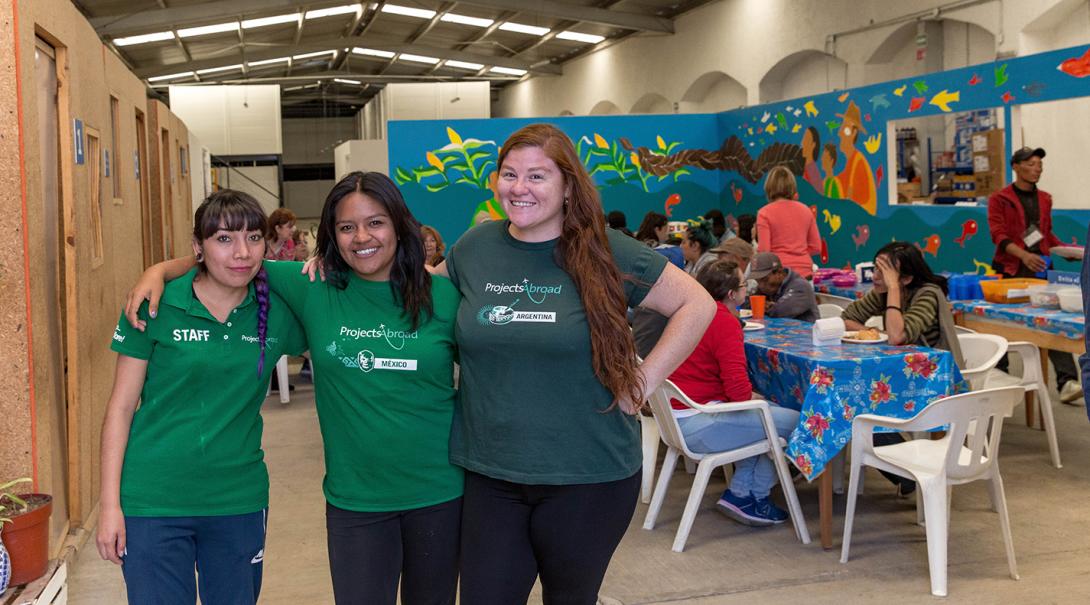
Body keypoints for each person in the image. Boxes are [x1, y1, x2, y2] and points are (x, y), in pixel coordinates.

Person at [126, 173, 465, 604]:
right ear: (332, 235)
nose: (362, 237)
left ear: (399, 225)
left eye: (376, 223)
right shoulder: (312, 286)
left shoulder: (443, 296)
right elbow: (230, 257)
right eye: (346, 227)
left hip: (440, 492)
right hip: (355, 499)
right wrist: (158, 271)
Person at [430, 123, 715, 603]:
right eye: (509, 174)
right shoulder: (475, 247)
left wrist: (644, 382)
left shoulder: (607, 249)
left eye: (537, 176)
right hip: (490, 472)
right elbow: (415, 296)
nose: (519, 188)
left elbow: (698, 304)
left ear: (567, 187)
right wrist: (335, 267)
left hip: (588, 474)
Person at [98, 191, 306, 604]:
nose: (241, 253)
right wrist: (109, 505)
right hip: (153, 500)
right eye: (224, 239)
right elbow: (120, 409)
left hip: (237, 500)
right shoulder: (156, 304)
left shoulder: (278, 310)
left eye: (253, 238)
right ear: (198, 247)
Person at [669, 259, 799, 526]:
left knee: (765, 416)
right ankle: (758, 497)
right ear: (732, 294)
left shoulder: (691, 310)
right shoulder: (724, 323)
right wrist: (758, 399)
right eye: (743, 285)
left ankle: (740, 493)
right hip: (700, 424)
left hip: (676, 416)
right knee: (800, 421)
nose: (747, 289)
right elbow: (738, 393)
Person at [841, 242, 964, 496]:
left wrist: (893, 288)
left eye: (882, 273)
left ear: (906, 278)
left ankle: (904, 472)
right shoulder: (884, 291)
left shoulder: (927, 294)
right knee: (848, 395)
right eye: (875, 269)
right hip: (900, 375)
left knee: (855, 402)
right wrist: (875, 332)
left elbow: (898, 336)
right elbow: (847, 318)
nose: (874, 277)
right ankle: (901, 472)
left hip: (933, 384)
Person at [988, 146, 1083, 404]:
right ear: (1016, 166)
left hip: (1041, 270)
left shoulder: (1045, 199)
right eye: (1031, 163)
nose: (1037, 168)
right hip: (1011, 270)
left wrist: (1065, 250)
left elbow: (1045, 234)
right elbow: (999, 236)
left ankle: (1067, 382)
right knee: (1002, 324)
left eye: (1040, 164)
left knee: (1049, 322)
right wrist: (1023, 255)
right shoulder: (999, 198)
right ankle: (999, 376)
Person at [756, 165, 821, 279]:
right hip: (806, 273)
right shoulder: (806, 210)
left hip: (779, 275)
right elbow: (816, 247)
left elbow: (764, 252)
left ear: (769, 187)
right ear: (792, 187)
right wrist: (798, 253)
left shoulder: (764, 213)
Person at [749, 252, 819, 322]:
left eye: (765, 280)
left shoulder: (801, 286)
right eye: (757, 281)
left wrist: (766, 307)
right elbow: (747, 303)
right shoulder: (768, 286)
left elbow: (779, 312)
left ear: (779, 273)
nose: (761, 285)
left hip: (806, 331)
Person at [800, 126, 822, 193]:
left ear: (813, 144)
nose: (802, 143)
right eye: (803, 139)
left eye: (806, 139)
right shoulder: (804, 168)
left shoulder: (812, 172)